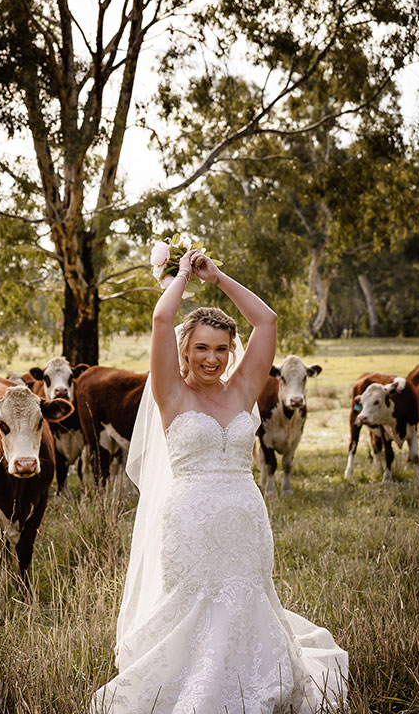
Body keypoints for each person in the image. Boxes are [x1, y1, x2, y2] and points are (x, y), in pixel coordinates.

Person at [91, 248, 348, 713]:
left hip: (245, 519)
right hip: (189, 521)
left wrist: (218, 277)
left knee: (247, 596)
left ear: (233, 352)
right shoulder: (170, 392)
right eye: (202, 348)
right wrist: (184, 274)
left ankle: (257, 685)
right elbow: (161, 320)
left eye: (222, 348)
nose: (212, 358)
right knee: (193, 603)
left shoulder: (243, 389)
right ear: (186, 350)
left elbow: (267, 321)